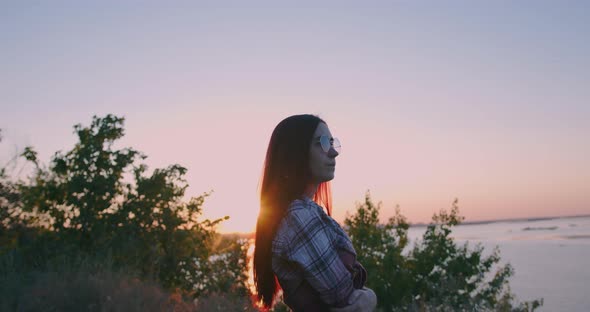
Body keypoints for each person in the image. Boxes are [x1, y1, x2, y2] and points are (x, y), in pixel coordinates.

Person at [253, 114, 377, 311]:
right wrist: (370, 298)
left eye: (333, 143)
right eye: (324, 143)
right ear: (294, 153)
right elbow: (345, 298)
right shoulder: (299, 217)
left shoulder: (298, 212)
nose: (333, 153)